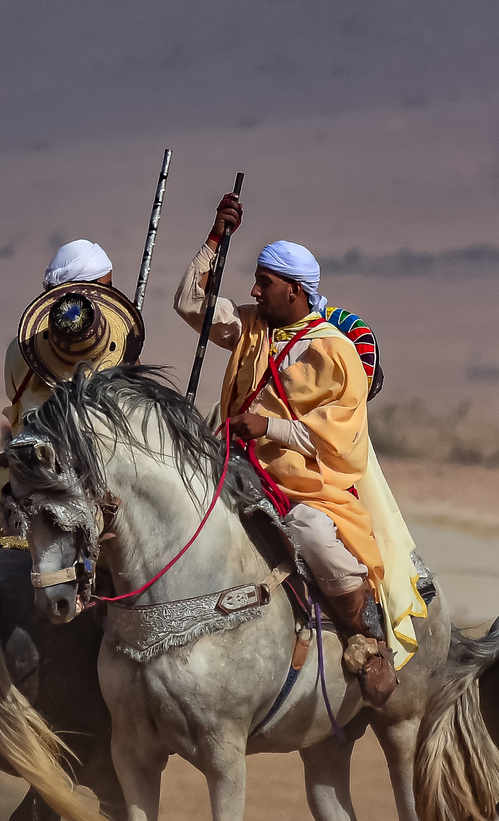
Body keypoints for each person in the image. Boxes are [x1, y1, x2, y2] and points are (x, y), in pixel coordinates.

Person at [173, 192, 422, 708]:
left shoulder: (334, 350)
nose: (254, 289)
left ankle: (364, 637)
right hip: (232, 460)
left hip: (305, 479)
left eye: (264, 282)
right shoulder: (247, 325)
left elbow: (339, 436)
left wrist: (269, 426)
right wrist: (216, 238)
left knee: (311, 529)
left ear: (294, 289)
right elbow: (190, 304)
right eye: (256, 280)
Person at [0, 240, 138, 537]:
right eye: (103, 289)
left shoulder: (18, 349)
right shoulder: (105, 358)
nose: (109, 297)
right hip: (64, 501)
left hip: (19, 495)